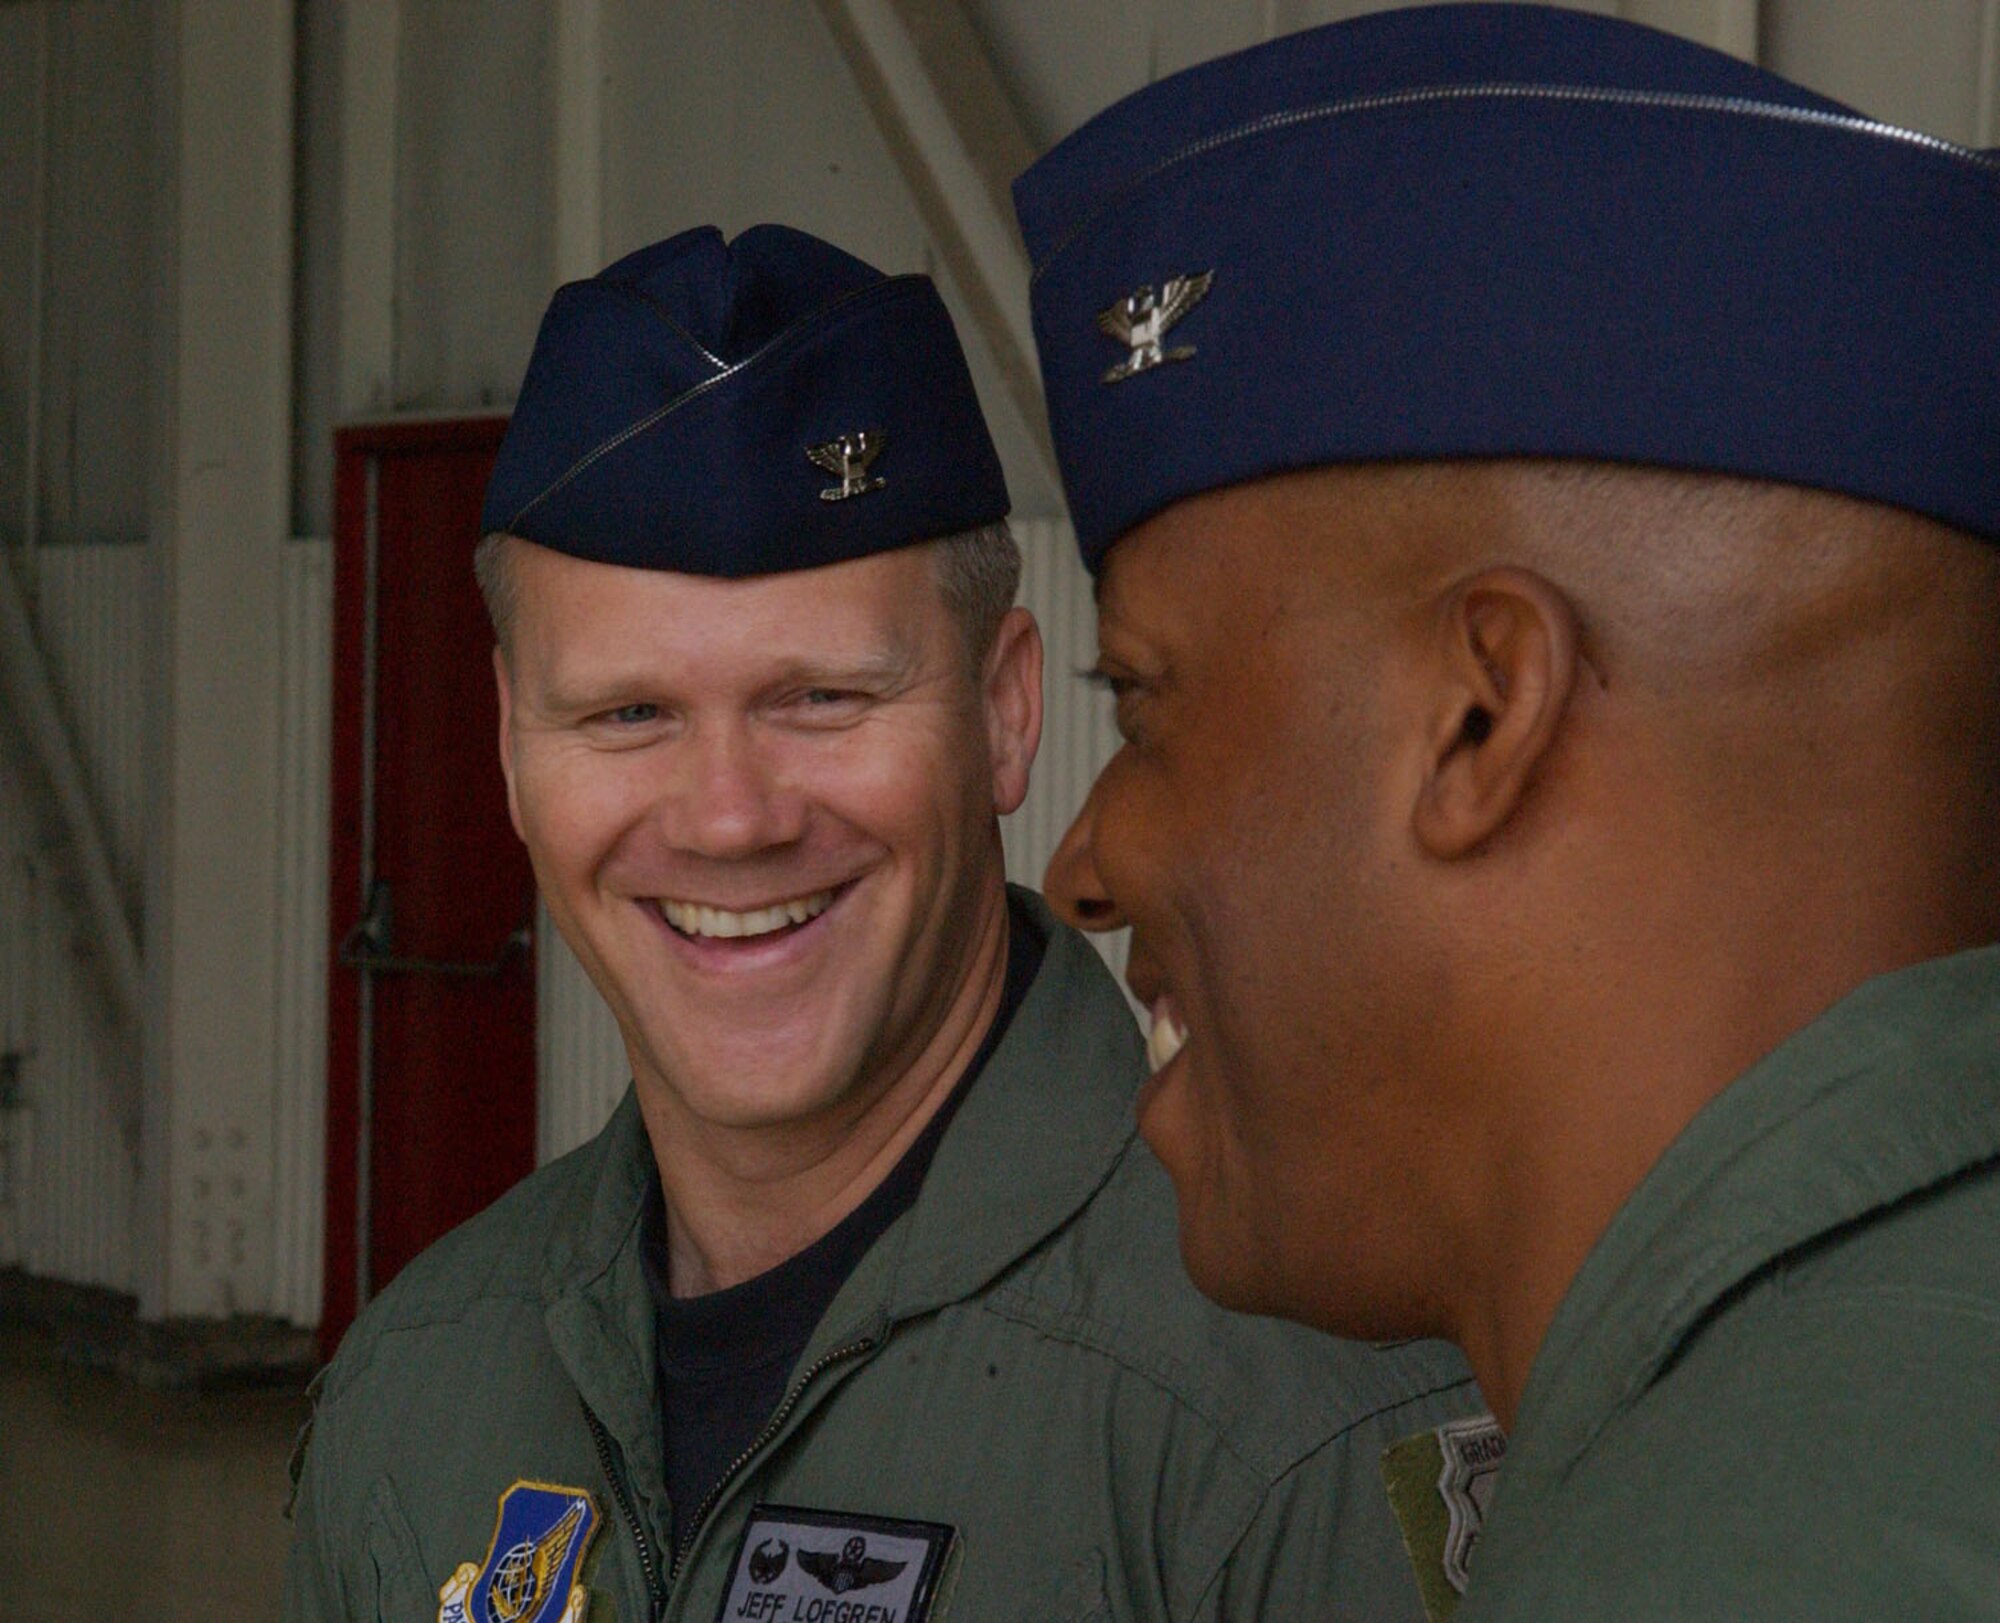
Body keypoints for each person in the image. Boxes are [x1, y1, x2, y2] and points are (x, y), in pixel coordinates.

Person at [281, 223, 1478, 1623]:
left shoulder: (1296, 1409)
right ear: (509, 748)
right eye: (629, 715)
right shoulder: (420, 1387)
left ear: (1004, 711)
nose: (731, 819)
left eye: (824, 699)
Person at [1016, 5, 2000, 1618]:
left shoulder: (1747, 1555)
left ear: (1479, 711)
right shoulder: (1872, 1421)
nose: (1084, 866)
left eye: (1145, 699)